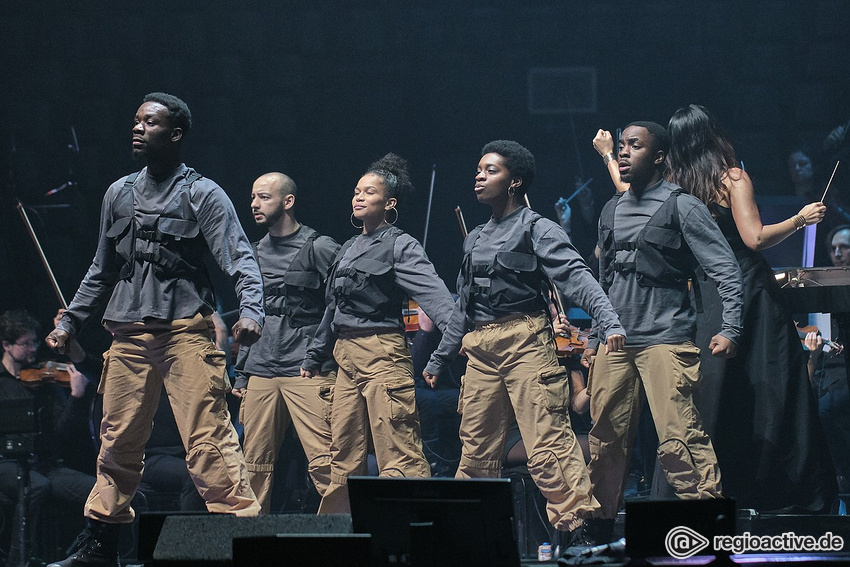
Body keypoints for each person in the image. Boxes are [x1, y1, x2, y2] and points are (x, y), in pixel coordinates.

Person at [45, 92, 264, 567]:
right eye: (136, 121)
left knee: (209, 439)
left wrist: (252, 312)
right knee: (117, 439)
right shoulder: (118, 193)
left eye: (150, 122)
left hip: (185, 331)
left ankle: (246, 537)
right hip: (127, 333)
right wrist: (69, 321)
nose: (138, 129)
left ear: (176, 133)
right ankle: (101, 545)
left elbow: (240, 258)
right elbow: (100, 269)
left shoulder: (202, 193)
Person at [422, 140, 626, 546]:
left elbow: (577, 277)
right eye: (478, 169)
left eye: (490, 170)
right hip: (480, 349)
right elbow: (463, 304)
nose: (479, 176)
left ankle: (577, 533)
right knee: (476, 447)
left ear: (514, 181)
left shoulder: (538, 228)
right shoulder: (475, 237)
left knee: (547, 439)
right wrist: (438, 358)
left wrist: (609, 319)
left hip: (525, 341)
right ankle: (470, 535)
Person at [661, 104, 836, 513]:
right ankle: (787, 495)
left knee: (715, 394)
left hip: (704, 296)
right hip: (749, 292)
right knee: (772, 389)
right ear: (713, 135)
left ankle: (714, 493)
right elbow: (755, 238)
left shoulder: (672, 185)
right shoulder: (731, 178)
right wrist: (801, 218)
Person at [584, 122, 744, 541]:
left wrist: (731, 326)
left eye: (634, 146)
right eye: (620, 146)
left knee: (680, 437)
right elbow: (604, 281)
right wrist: (596, 338)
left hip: (665, 337)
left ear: (658, 156)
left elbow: (725, 267)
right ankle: (598, 530)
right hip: (617, 342)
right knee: (605, 438)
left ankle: (712, 523)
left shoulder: (681, 206)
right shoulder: (610, 210)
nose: (622, 153)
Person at [301, 153, 455, 514]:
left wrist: (449, 348)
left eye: (369, 192)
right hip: (345, 358)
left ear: (389, 203)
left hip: (382, 355)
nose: (358, 197)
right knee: (343, 455)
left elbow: (438, 300)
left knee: (398, 450)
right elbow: (333, 309)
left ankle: (413, 534)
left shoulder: (400, 245)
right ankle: (340, 539)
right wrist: (314, 354)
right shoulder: (349, 247)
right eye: (356, 191)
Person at [232, 172, 339, 514]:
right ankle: (246, 544)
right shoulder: (252, 253)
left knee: (326, 461)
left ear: (287, 201)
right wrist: (242, 373)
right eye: (252, 197)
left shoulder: (319, 247)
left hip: (306, 368)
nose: (254, 204)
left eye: (263, 197)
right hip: (261, 369)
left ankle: (344, 540)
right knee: (252, 466)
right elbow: (252, 315)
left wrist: (321, 357)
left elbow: (339, 305)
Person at [0, 310, 96, 567]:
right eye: (26, 343)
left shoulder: (45, 380)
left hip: (44, 464)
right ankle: (16, 562)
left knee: (101, 492)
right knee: (36, 486)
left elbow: (61, 434)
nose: (34, 348)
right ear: (6, 345)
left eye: (34, 341)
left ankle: (89, 555)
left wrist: (76, 399)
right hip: (6, 463)